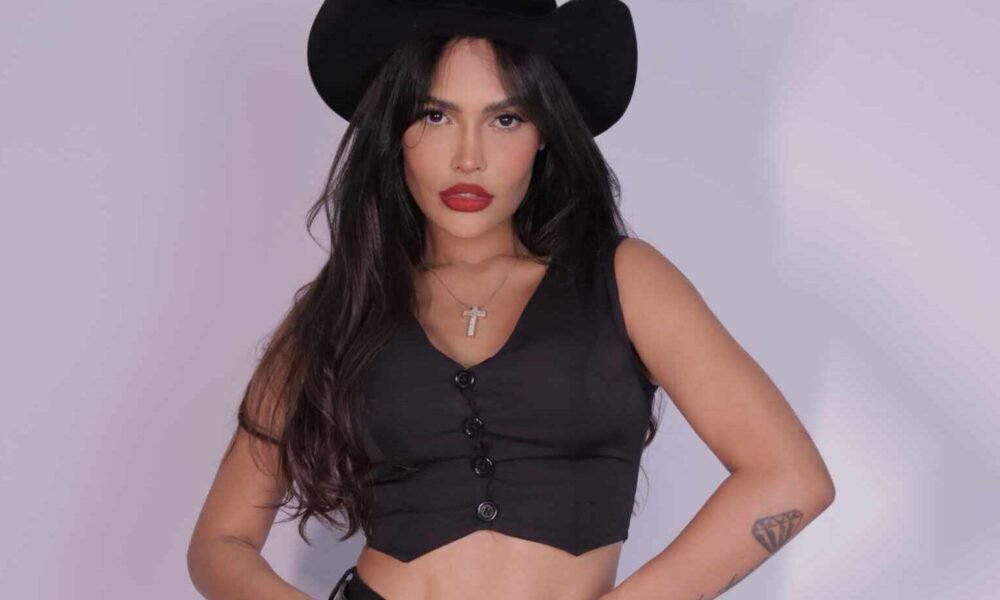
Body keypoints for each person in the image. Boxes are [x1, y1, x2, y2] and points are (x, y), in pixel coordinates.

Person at [187, 1, 836, 599]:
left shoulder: (624, 280)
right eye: (435, 115)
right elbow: (220, 542)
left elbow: (790, 477)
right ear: (396, 129)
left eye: (505, 118)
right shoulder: (344, 303)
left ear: (544, 131)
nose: (468, 158)